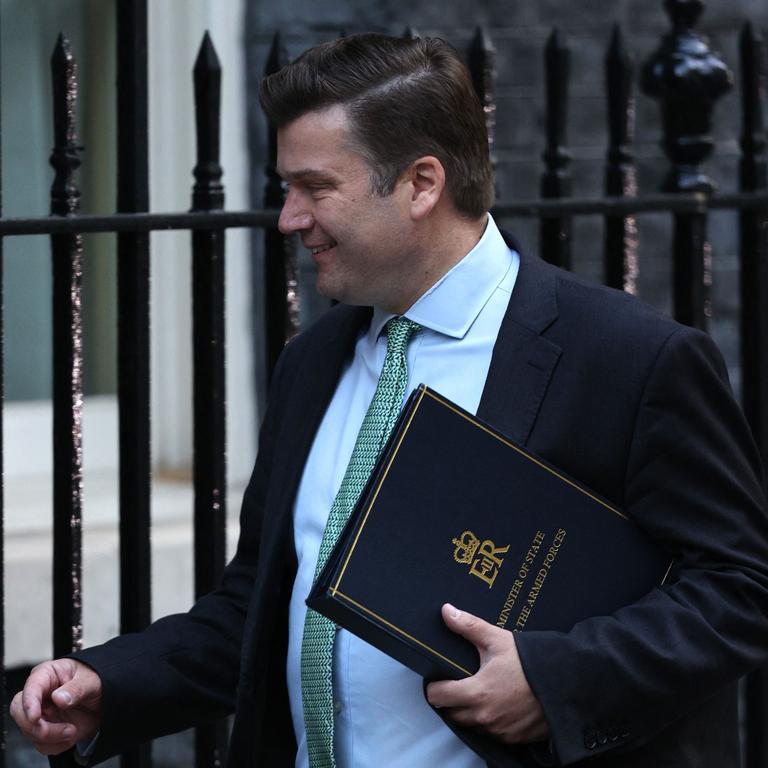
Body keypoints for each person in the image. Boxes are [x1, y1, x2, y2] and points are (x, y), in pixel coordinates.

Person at [11, 32, 768, 768]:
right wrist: (112, 683)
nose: (288, 218)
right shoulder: (311, 363)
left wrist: (555, 679)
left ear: (421, 184)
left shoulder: (629, 358)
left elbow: (741, 587)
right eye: (286, 188)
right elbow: (264, 605)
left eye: (315, 187)